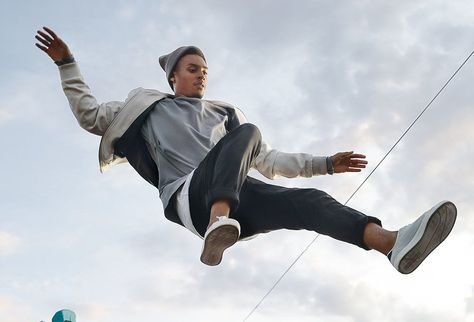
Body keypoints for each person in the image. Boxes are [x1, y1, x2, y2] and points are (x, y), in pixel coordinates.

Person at [35, 26, 457, 273]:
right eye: (192, 69)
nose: (201, 76)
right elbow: (90, 115)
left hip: (237, 203)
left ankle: (391, 243)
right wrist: (66, 63)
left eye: (205, 71)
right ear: (173, 76)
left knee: (309, 202)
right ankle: (219, 221)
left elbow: (269, 161)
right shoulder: (144, 108)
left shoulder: (222, 114)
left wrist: (323, 163)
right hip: (191, 198)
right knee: (246, 133)